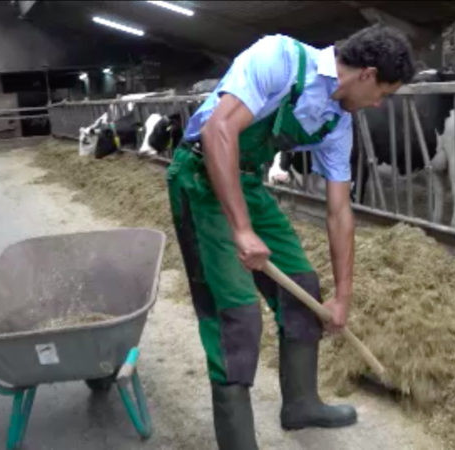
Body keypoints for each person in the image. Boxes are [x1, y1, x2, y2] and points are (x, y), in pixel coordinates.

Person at [166, 24, 415, 449]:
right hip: (199, 178)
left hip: (247, 182)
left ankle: (300, 403)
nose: (377, 104)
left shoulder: (338, 123)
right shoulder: (280, 58)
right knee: (237, 316)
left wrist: (342, 297)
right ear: (368, 74)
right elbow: (218, 132)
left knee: (304, 290)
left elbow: (340, 212)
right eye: (382, 94)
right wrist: (242, 231)